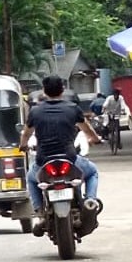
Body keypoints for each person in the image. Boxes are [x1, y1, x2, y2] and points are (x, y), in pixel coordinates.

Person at [19, 73, 102, 234]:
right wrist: (96, 138)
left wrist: (22, 146)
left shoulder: (35, 111)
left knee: (31, 178)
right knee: (92, 172)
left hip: (43, 161)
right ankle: (90, 200)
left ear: (44, 91)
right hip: (70, 159)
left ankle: (39, 213)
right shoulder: (73, 108)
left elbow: (26, 134)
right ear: (62, 90)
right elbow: (87, 129)